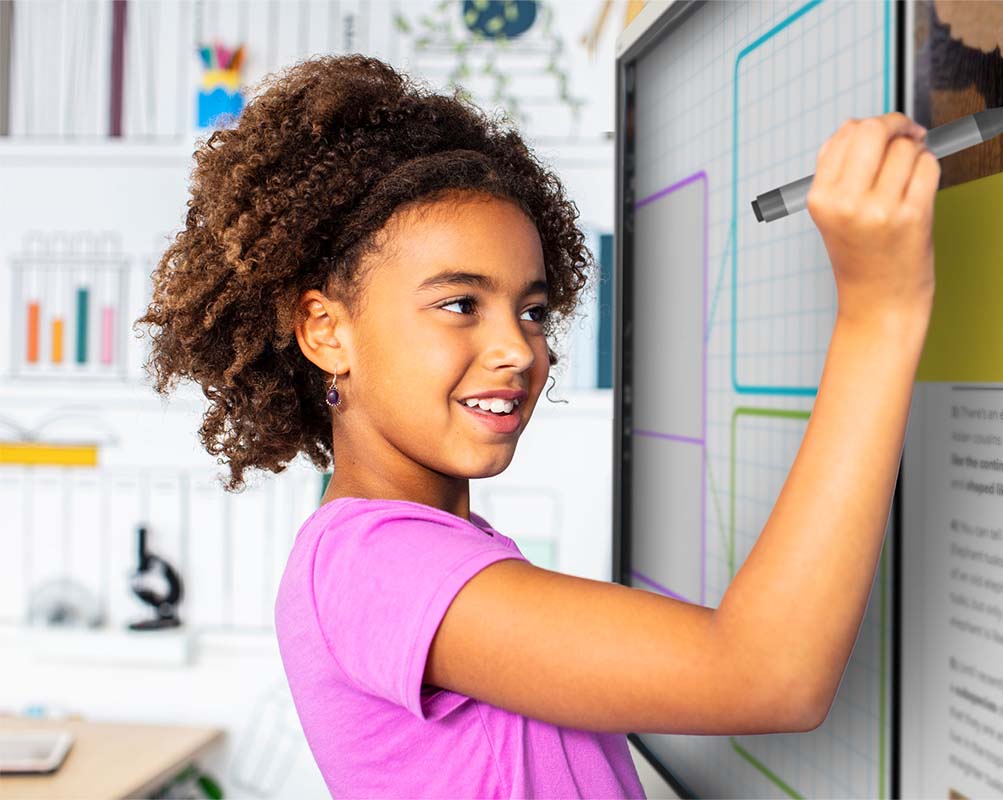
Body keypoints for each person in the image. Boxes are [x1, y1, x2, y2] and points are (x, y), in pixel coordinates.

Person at [137, 54, 937, 799]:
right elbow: (768, 675)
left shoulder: (430, 549)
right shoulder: (375, 563)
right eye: (460, 304)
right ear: (325, 332)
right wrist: (880, 312)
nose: (519, 349)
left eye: (532, 309)